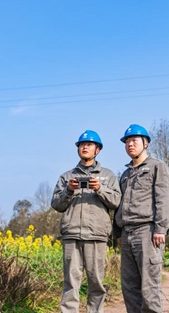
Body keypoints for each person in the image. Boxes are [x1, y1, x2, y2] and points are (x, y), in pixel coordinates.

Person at [51, 130, 121, 313]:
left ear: (97, 149)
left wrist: (100, 188)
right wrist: (68, 190)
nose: (84, 147)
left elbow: (116, 202)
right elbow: (56, 204)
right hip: (71, 235)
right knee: (70, 282)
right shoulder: (67, 177)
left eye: (89, 145)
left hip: (97, 236)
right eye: (82, 144)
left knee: (96, 282)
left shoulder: (108, 176)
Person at [113, 124, 169, 313]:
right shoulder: (125, 174)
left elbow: (165, 198)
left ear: (145, 143)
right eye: (127, 142)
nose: (130, 144)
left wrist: (160, 229)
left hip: (147, 232)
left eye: (134, 141)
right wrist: (117, 232)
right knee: (129, 288)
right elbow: (119, 204)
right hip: (126, 233)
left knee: (149, 288)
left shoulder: (157, 167)